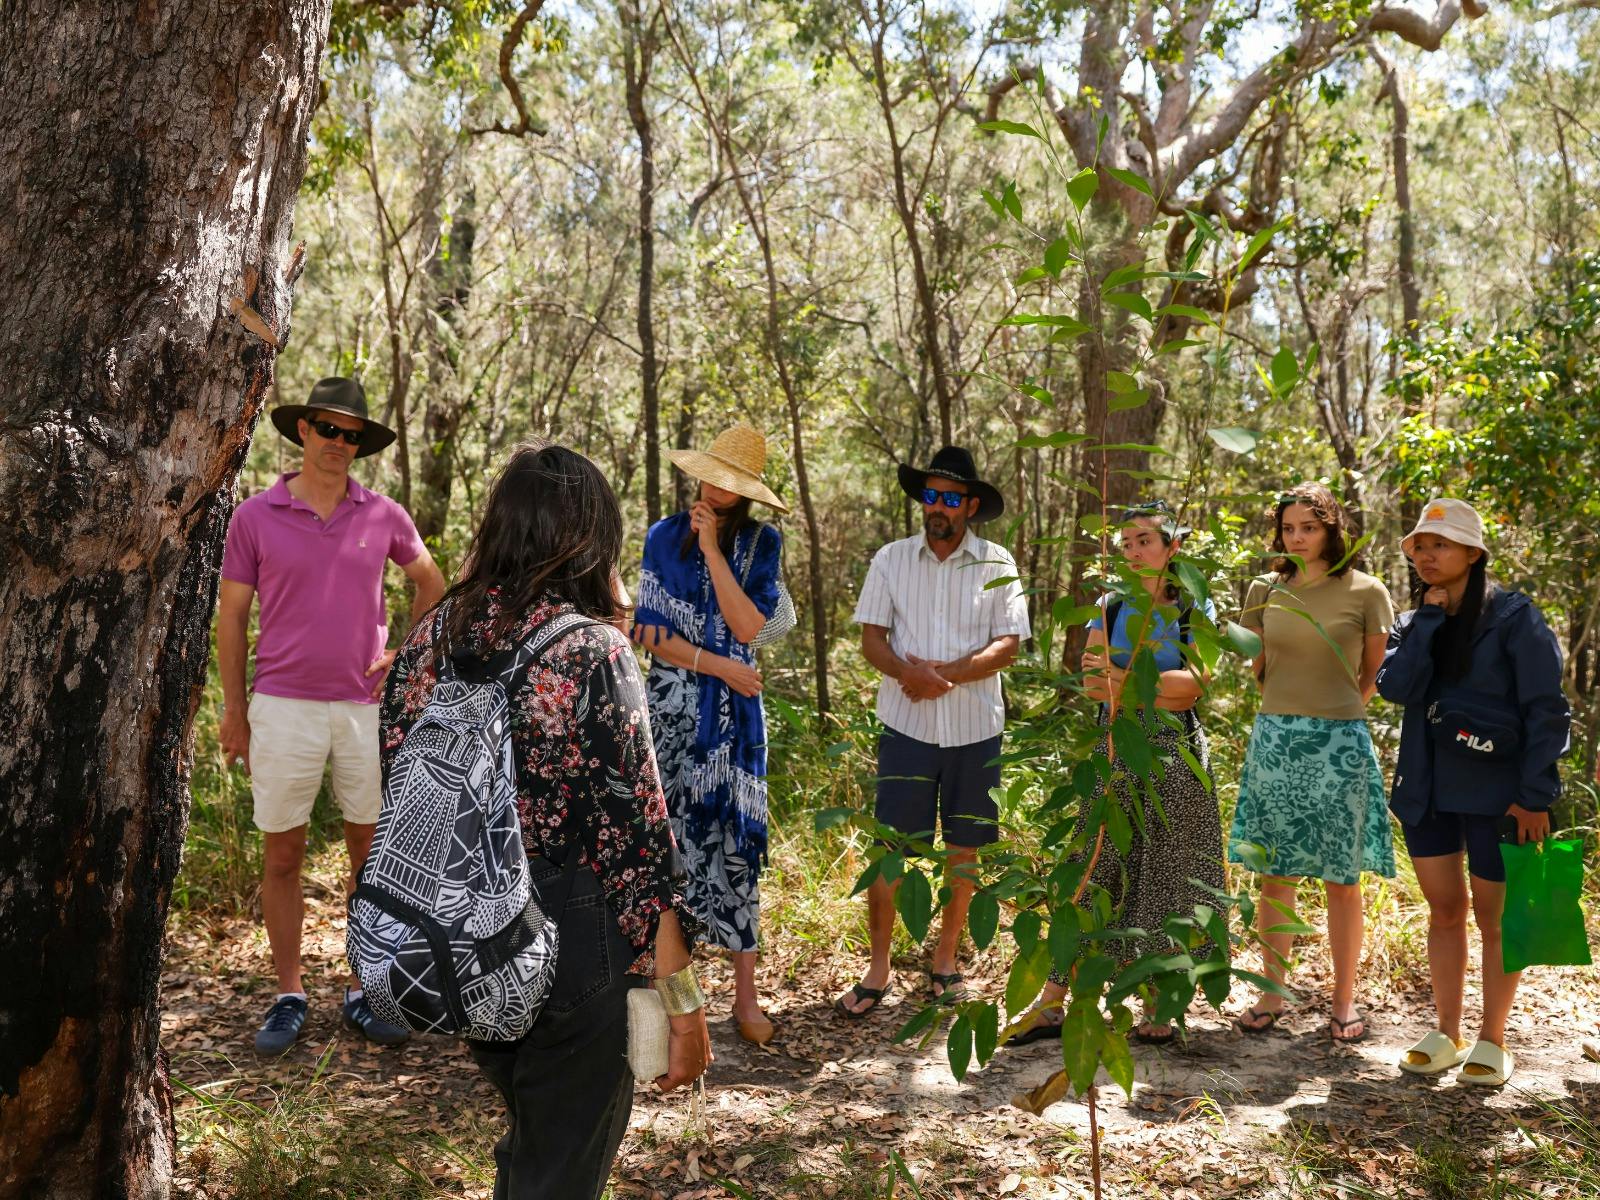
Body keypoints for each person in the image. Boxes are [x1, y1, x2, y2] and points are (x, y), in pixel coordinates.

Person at [379, 443, 710, 1198]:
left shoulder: (431, 636)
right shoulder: (590, 649)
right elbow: (637, 843)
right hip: (572, 932)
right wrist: (683, 1005)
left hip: (459, 930)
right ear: (594, 538)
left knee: (536, 1144)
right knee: (558, 1168)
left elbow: (396, 779)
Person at [217, 377, 447, 1054]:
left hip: (362, 709)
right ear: (303, 430)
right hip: (281, 706)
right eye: (327, 429)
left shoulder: (384, 515)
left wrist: (405, 654)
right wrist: (236, 711)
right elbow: (232, 619)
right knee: (283, 853)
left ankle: (363, 988)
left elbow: (431, 583)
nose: (338, 443)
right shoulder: (254, 517)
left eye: (351, 435)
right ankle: (289, 994)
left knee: (368, 857)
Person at [1013, 500, 1220, 1046]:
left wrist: (1121, 678)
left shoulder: (1193, 605)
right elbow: (1091, 685)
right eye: (1125, 542)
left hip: (1176, 752)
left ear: (1173, 546)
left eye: (1144, 540)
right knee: (1094, 864)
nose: (1132, 550)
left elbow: (1194, 687)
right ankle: (1052, 1001)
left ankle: (1158, 1000)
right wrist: (1150, 684)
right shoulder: (1109, 605)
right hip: (1114, 749)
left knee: (1166, 872)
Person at [1377, 499, 1569, 1086]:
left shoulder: (1515, 617)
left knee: (1497, 919)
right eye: (1420, 546)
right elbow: (1396, 687)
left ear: (1473, 553)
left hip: (1500, 794)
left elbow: (1547, 708)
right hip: (1428, 789)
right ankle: (1446, 1032)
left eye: (1441, 544)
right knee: (1444, 912)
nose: (1427, 555)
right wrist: (1428, 623)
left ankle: (1493, 1039)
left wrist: (1535, 795)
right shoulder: (1413, 623)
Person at [837, 446, 1030, 1016]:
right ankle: (878, 968)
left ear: (970, 506)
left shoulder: (996, 561)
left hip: (975, 730)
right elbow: (872, 638)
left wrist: (944, 676)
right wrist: (908, 673)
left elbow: (1009, 644)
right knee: (891, 849)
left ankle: (945, 961)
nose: (938, 507)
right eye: (930, 495)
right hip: (907, 727)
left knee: (963, 849)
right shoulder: (891, 559)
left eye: (950, 498)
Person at [631, 424, 795, 1046]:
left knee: (735, 847)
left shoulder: (761, 543)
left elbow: (749, 625)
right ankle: (674, 999)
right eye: (710, 477)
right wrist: (720, 666)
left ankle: (745, 999)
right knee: (667, 847)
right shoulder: (661, 537)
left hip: (733, 726)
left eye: (730, 483)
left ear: (747, 491)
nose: (715, 490)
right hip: (672, 711)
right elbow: (649, 634)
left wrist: (714, 554)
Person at [1229, 482, 1396, 1043]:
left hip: (1340, 744)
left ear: (1331, 530)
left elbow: (1373, 673)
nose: (1297, 538)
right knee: (1274, 874)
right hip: (1276, 739)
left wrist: (1334, 715)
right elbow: (1257, 663)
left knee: (1341, 880)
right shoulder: (1265, 588)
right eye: (1288, 528)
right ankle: (1271, 993)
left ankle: (1343, 1002)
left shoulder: (1367, 590)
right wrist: (1287, 714)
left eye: (1309, 527)